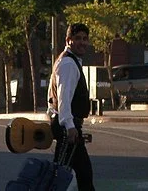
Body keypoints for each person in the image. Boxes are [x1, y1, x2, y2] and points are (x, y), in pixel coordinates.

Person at [48, 23, 95, 191]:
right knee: (83, 176)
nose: (82, 42)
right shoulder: (68, 63)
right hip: (68, 128)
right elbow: (63, 98)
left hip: (67, 126)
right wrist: (69, 126)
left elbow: (51, 96)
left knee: (60, 176)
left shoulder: (67, 61)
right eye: (77, 39)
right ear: (68, 40)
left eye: (85, 39)